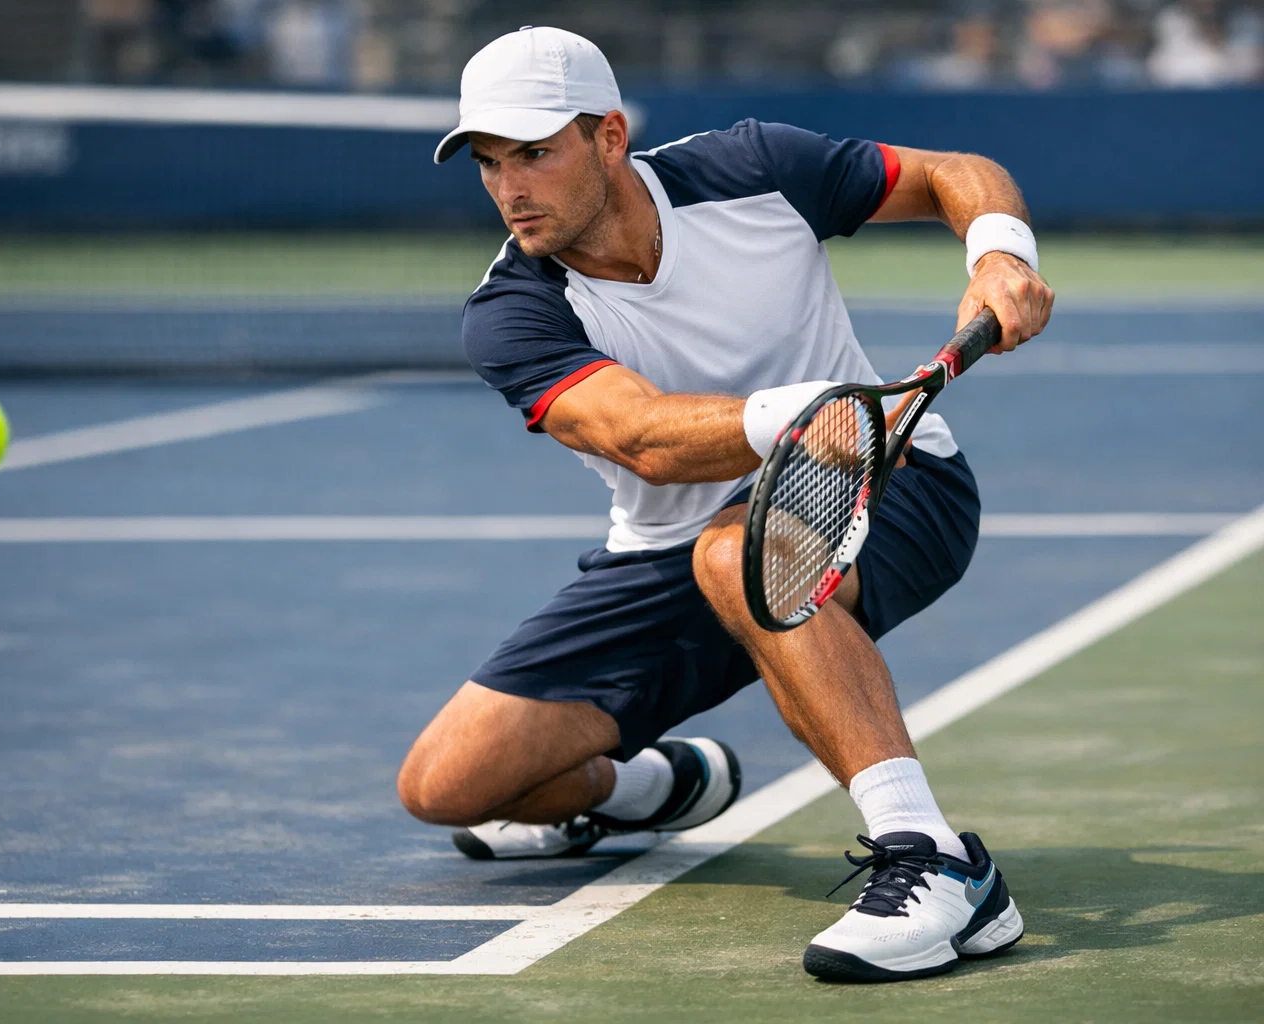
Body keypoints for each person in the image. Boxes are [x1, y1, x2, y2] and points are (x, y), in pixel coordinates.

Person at [398, 26, 1055, 982]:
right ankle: (657, 789)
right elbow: (644, 439)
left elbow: (959, 171)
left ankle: (937, 862)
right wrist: (803, 415)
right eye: (491, 163)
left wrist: (999, 253)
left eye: (534, 152)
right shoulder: (512, 311)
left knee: (732, 557)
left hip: (897, 480)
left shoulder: (754, 167)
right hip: (669, 550)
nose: (511, 187)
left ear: (610, 136)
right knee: (447, 785)